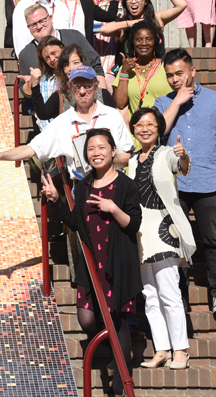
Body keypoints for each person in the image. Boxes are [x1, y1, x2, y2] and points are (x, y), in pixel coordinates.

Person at [40, 127, 142, 394]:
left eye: (101, 147)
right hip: (92, 262)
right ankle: (115, 355)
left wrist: (113, 208)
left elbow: (133, 225)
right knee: (87, 318)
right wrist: (55, 201)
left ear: (113, 151)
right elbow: (76, 222)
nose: (96, 153)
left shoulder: (126, 185)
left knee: (116, 318)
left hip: (117, 260)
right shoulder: (84, 185)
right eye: (91, 149)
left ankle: (121, 384)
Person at [153, 49, 216, 323]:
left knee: (212, 239)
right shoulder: (162, 102)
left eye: (180, 73)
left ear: (193, 71)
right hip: (174, 183)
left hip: (208, 180)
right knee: (172, 241)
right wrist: (177, 102)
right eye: (169, 75)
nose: (175, 79)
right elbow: (157, 133)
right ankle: (178, 292)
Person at [0, 66, 132, 181]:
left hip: (114, 184)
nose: (82, 91)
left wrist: (100, 161)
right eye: (77, 86)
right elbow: (31, 149)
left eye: (87, 86)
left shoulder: (112, 115)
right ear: (69, 87)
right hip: (83, 189)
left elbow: (128, 156)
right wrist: (0, 155)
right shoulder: (62, 122)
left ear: (96, 87)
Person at [126, 107, 196, 371]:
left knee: (169, 292)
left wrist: (184, 156)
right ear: (133, 129)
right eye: (139, 124)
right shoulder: (131, 161)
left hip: (164, 231)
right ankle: (162, 349)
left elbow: (182, 168)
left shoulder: (167, 153)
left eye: (150, 124)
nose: (144, 128)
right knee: (150, 295)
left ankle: (181, 349)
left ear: (159, 129)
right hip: (141, 234)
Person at [16, 3, 103, 83]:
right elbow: (24, 89)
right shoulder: (25, 54)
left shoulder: (74, 36)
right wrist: (30, 84)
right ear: (28, 27)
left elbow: (96, 65)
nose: (39, 26)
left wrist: (101, 95)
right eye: (33, 24)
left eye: (42, 21)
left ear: (50, 18)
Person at [100, 0, 186, 62]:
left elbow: (181, 5)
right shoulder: (124, 26)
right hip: (133, 73)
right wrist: (130, 23)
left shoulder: (156, 18)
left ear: (145, 1)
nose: (133, 1)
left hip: (157, 71)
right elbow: (103, 30)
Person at [113, 20, 173, 115]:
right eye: (139, 39)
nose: (144, 43)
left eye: (149, 39)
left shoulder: (167, 67)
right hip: (138, 128)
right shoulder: (126, 68)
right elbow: (120, 104)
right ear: (133, 42)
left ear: (155, 42)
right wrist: (124, 72)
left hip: (166, 127)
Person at [21, 36, 65, 129]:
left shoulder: (75, 72)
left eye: (54, 53)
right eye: (47, 58)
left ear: (62, 47)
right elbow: (41, 113)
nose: (52, 59)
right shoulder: (45, 79)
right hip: (50, 133)